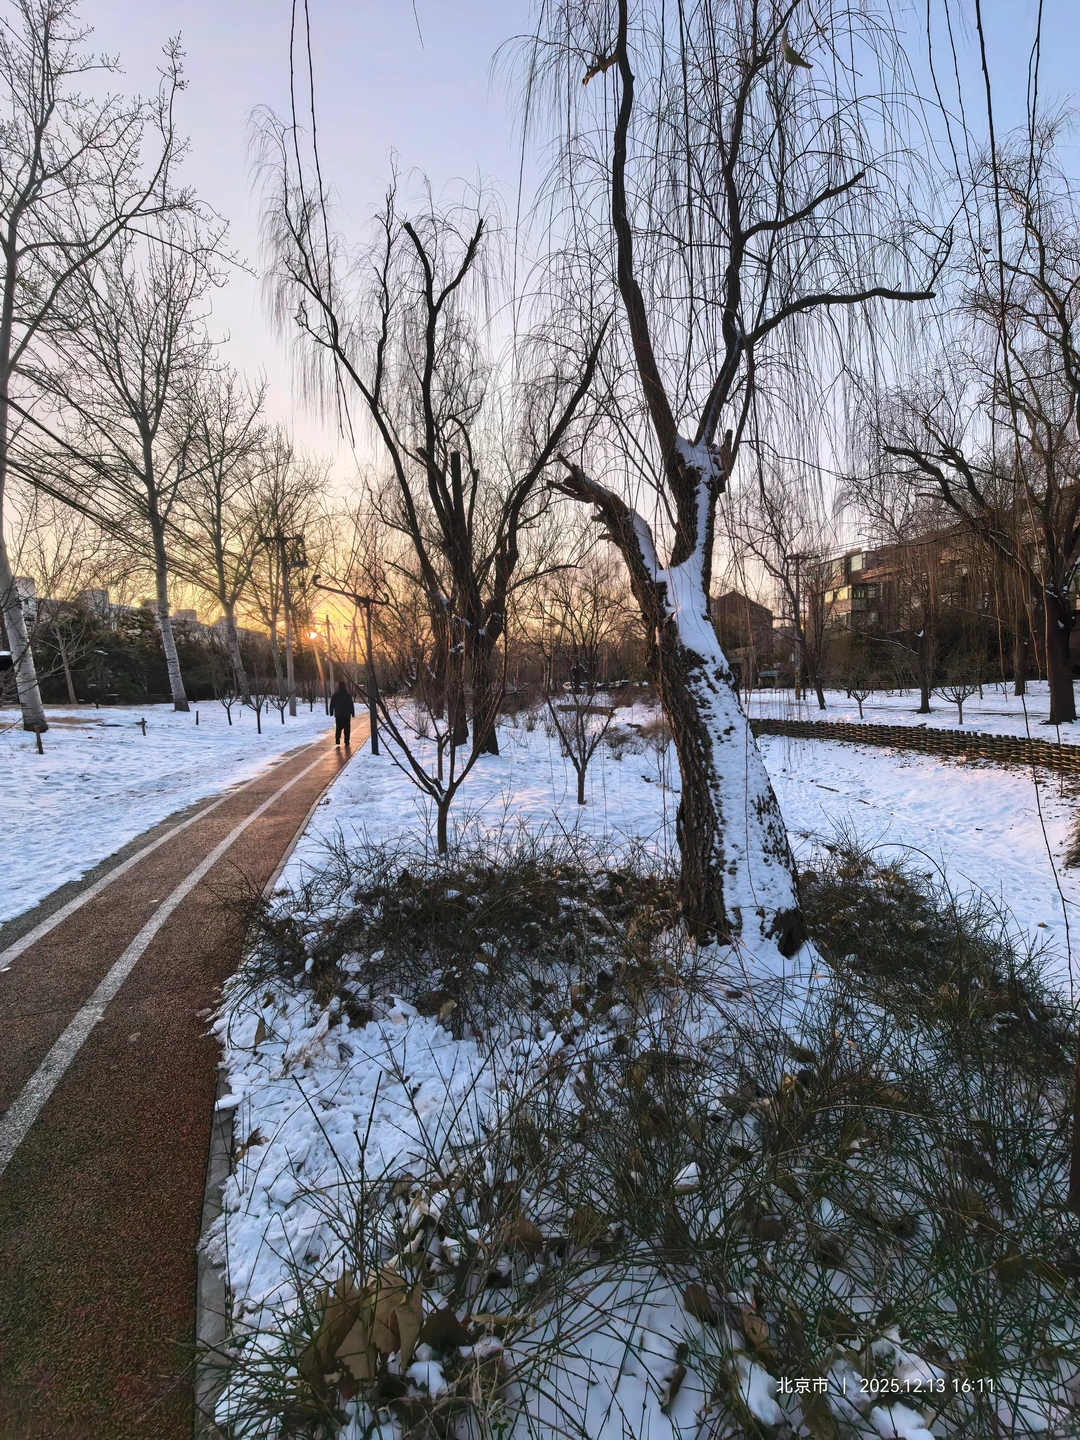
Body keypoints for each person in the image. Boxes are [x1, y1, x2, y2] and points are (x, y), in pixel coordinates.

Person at [329, 679, 355, 747]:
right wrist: (352, 713)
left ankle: (337, 739)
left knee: (338, 727)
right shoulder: (348, 695)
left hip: (338, 714)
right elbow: (351, 704)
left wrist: (331, 712)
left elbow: (332, 704)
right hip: (346, 715)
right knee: (347, 728)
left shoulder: (335, 695)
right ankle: (346, 741)